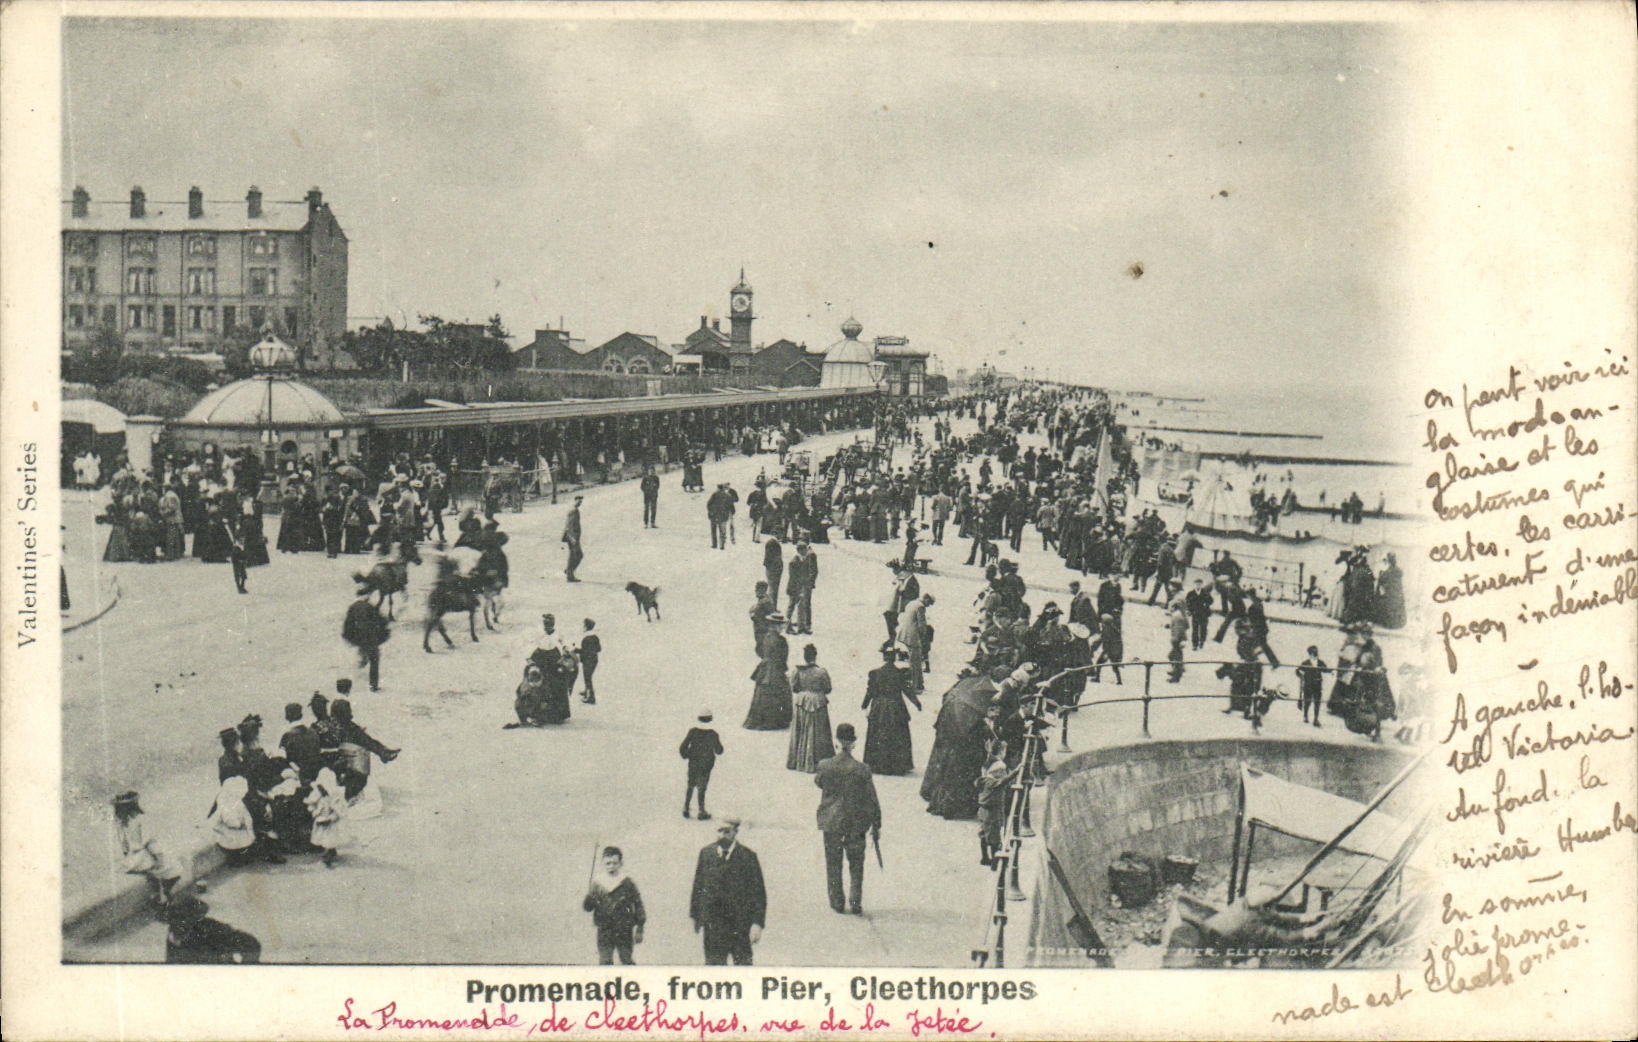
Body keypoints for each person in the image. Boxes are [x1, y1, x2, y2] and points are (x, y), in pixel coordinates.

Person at [814, 723, 882, 915]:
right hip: (856, 821)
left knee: (833, 862)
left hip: (831, 820)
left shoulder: (825, 765)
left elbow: (819, 782)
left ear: (836, 741)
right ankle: (855, 899)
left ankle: (836, 900)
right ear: (853, 743)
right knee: (856, 862)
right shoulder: (862, 769)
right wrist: (876, 823)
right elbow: (872, 799)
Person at [689, 818, 766, 965]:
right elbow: (698, 886)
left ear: (735, 833)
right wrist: (695, 917)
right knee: (714, 970)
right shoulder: (706, 854)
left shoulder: (748, 856)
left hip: (740, 927)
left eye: (727, 831)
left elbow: (758, 893)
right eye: (719, 831)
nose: (722, 835)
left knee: (743, 970)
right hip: (713, 926)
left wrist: (757, 924)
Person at [113, 790, 184, 906]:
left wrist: (129, 858)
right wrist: (158, 856)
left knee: (156, 872)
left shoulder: (121, 823)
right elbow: (149, 842)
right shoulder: (140, 819)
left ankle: (159, 893)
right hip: (144, 857)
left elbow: (124, 847)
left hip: (132, 860)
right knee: (172, 867)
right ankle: (166, 892)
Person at [861, 641, 921, 775]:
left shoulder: (875, 673)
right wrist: (917, 703)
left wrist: (864, 704)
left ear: (884, 658)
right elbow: (907, 690)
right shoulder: (900, 673)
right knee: (897, 734)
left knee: (878, 733)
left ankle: (877, 764)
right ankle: (897, 765)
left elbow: (870, 691)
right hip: (896, 706)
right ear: (894, 658)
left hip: (879, 707)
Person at [583, 846, 646, 965]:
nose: (611, 866)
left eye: (615, 863)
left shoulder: (627, 883)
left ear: (621, 863)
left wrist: (640, 928)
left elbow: (638, 904)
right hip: (604, 928)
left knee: (626, 959)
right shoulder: (598, 884)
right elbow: (588, 908)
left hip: (624, 928)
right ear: (603, 863)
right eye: (608, 863)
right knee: (605, 961)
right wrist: (589, 899)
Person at [164, 895, 261, 964]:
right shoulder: (173, 937)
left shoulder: (211, 928)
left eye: (185, 918)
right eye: (176, 919)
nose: (180, 923)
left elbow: (251, 944)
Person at [787, 644, 835, 773]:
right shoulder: (822, 672)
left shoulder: (798, 671)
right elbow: (828, 688)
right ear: (815, 656)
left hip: (802, 702)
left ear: (804, 657)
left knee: (801, 729)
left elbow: (794, 688)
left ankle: (798, 760)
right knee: (818, 731)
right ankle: (818, 760)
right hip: (818, 702)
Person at [743, 617, 793, 730]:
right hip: (776, 669)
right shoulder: (781, 640)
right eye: (781, 625)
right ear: (776, 626)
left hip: (765, 668)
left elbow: (758, 650)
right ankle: (776, 721)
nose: (782, 627)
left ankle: (761, 720)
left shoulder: (765, 637)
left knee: (762, 694)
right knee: (779, 693)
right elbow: (783, 658)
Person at [679, 710, 723, 819]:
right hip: (706, 764)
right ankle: (701, 810)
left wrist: (687, 755)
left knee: (691, 784)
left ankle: (686, 807)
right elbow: (719, 750)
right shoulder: (713, 734)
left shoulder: (693, 732)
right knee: (702, 787)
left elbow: (682, 747)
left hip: (694, 762)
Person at [342, 594, 390, 692]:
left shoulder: (352, 607)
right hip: (370, 636)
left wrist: (349, 636)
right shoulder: (369, 607)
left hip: (359, 636)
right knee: (374, 660)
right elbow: (381, 620)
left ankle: (363, 658)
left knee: (366, 650)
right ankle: (373, 685)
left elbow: (348, 624)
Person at [305, 766, 347, 867]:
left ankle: (328, 853)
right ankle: (330, 850)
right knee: (326, 835)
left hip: (329, 817)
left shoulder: (334, 794)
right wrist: (313, 808)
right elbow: (312, 801)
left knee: (328, 836)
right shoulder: (319, 792)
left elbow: (339, 807)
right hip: (322, 815)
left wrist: (333, 815)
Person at [785, 540, 818, 634]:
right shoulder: (794, 562)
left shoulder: (803, 560)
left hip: (801, 587)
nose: (805, 553)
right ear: (799, 551)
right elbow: (793, 578)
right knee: (791, 607)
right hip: (794, 587)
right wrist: (795, 589)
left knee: (801, 607)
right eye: (803, 551)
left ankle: (801, 627)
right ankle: (787, 626)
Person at [1297, 645, 1327, 727]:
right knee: (1307, 702)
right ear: (1309, 654)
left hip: (1318, 685)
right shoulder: (1305, 663)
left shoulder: (1320, 662)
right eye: (1313, 653)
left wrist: (1330, 671)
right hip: (1308, 685)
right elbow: (1297, 671)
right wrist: (1300, 674)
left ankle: (1316, 719)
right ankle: (1305, 716)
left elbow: (1325, 669)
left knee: (1317, 702)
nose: (1315, 654)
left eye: (1316, 653)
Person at [578, 618, 601, 704]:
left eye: (584, 625)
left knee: (587, 678)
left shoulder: (585, 638)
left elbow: (584, 651)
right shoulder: (595, 637)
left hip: (587, 661)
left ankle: (591, 697)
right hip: (594, 660)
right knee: (588, 677)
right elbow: (599, 649)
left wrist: (576, 650)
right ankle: (586, 691)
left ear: (586, 627)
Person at [562, 496, 584, 581]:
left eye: (581, 502)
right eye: (578, 501)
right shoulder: (573, 511)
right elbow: (569, 526)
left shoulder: (575, 510)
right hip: (572, 537)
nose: (579, 503)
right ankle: (569, 573)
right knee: (577, 555)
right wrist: (572, 538)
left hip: (574, 537)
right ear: (574, 500)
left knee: (575, 555)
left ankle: (569, 571)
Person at [706, 483, 733, 549]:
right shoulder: (728, 495)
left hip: (714, 515)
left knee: (713, 531)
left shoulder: (714, 495)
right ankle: (722, 545)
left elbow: (708, 504)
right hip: (723, 515)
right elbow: (731, 506)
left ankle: (714, 544)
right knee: (722, 531)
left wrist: (710, 512)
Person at [763, 536, 784, 604]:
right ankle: (771, 606)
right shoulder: (772, 543)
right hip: (773, 569)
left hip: (775, 568)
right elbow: (768, 557)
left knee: (774, 589)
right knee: (773, 589)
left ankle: (773, 605)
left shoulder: (773, 542)